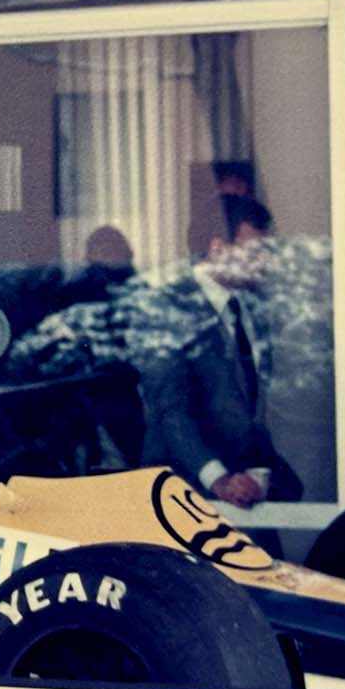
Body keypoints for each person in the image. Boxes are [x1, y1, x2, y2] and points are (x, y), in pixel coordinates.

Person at [132, 194, 302, 506]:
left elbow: (248, 405)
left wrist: (259, 471)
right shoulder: (165, 308)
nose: (266, 262)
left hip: (245, 494)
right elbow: (171, 413)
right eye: (256, 251)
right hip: (182, 496)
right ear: (217, 249)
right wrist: (219, 480)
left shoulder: (250, 308)